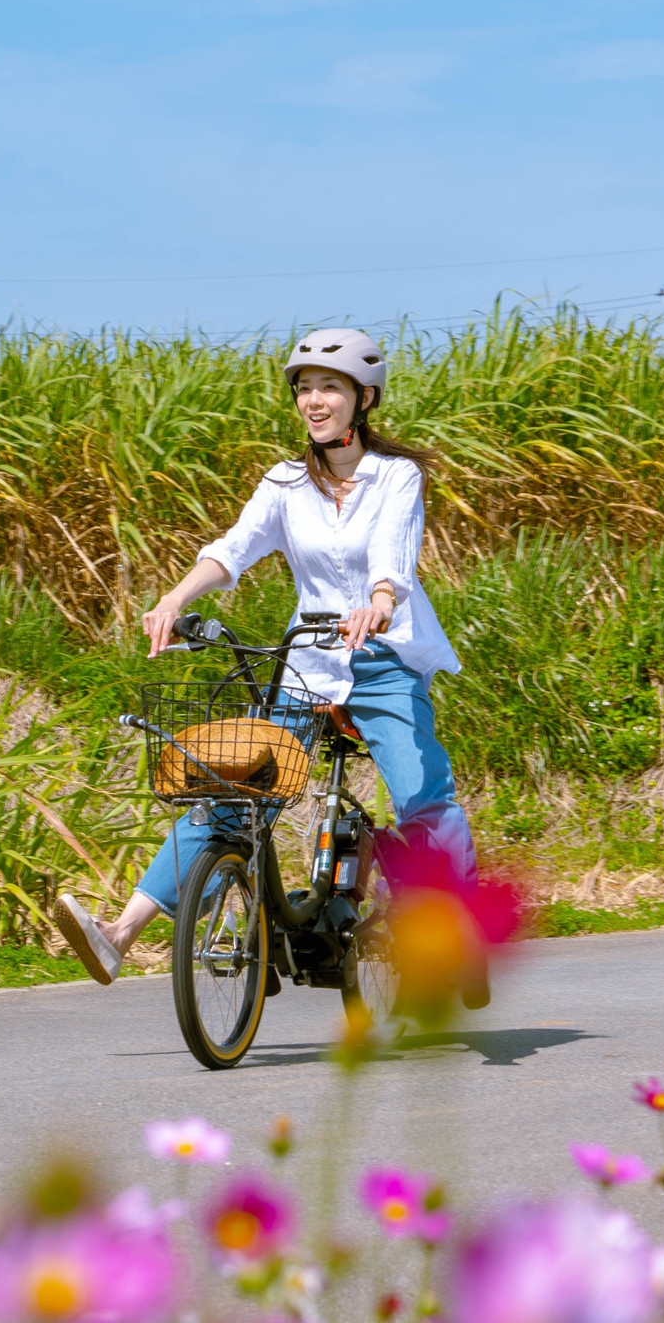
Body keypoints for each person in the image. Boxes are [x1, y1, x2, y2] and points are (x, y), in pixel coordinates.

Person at [51, 327, 473, 986]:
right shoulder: (283, 484)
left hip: (383, 657)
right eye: (304, 388)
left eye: (328, 387)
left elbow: (394, 553)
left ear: (364, 398)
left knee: (422, 797)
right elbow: (233, 549)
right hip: (307, 662)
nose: (313, 399)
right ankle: (118, 933)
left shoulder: (396, 476)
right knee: (234, 793)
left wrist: (381, 600)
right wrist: (174, 596)